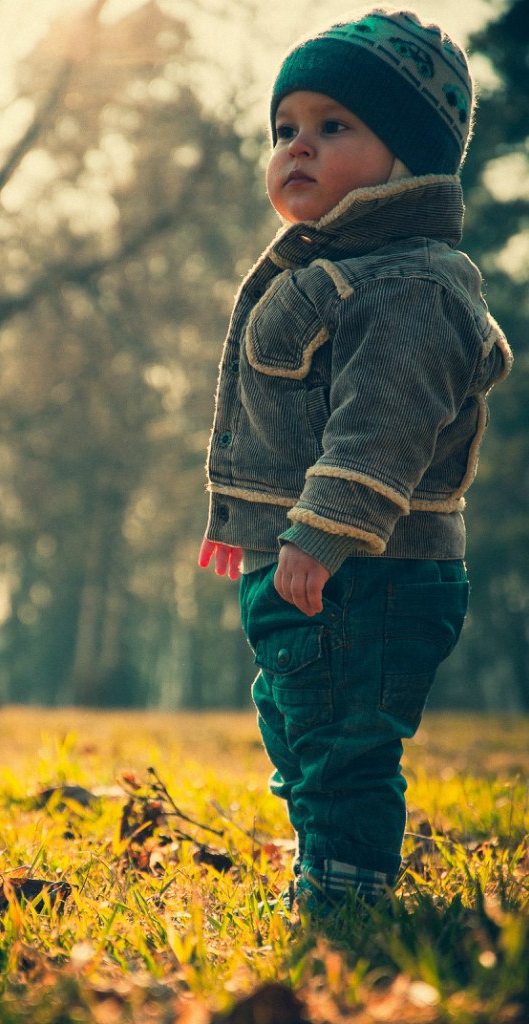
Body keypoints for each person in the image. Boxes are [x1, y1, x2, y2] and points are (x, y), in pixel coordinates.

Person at [198, 8, 512, 914]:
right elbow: (284, 424)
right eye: (287, 128)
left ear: (408, 156)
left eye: (335, 126)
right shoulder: (332, 270)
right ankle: (328, 862)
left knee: (341, 742)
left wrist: (320, 535)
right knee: (300, 726)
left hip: (367, 572)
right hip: (307, 565)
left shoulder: (409, 281)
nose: (299, 146)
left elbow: (381, 430)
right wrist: (248, 528)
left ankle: (347, 895)